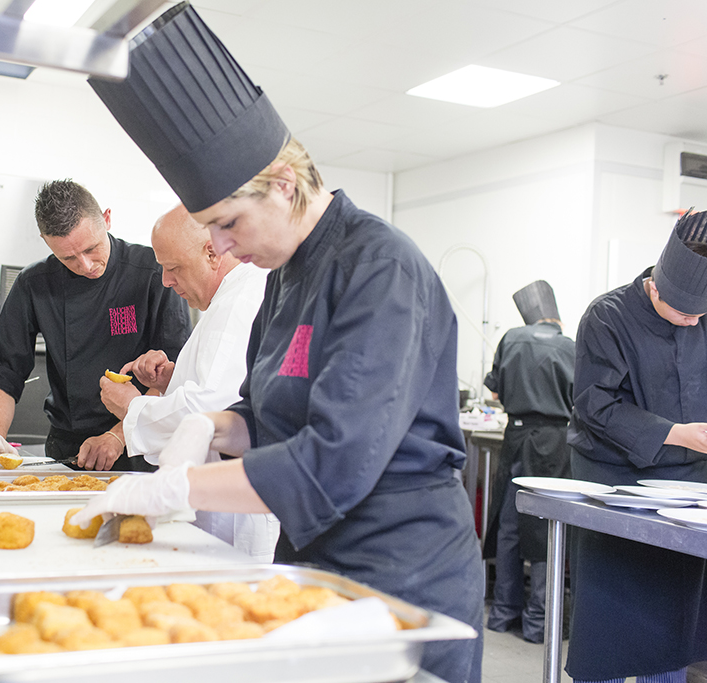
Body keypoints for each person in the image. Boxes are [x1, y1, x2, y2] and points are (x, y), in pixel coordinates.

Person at [82, 6, 484, 680]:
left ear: (286, 186)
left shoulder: (381, 268)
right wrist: (211, 424)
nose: (219, 245)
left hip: (402, 575)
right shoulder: (282, 278)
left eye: (228, 222)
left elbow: (336, 462)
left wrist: (177, 487)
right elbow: (267, 419)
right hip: (312, 565)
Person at [565, 210, 707, 683]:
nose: (692, 322)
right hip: (616, 481)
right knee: (611, 617)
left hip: (688, 485)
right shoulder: (608, 316)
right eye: (684, 314)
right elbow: (594, 404)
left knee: (672, 620)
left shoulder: (701, 319)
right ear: (655, 288)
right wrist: (678, 433)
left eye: (700, 316)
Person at [98, 204, 279, 561]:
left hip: (233, 517)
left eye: (173, 268)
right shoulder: (227, 297)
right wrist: (172, 379)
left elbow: (210, 407)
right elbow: (224, 384)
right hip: (215, 503)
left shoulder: (239, 301)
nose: (166, 281)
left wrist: (132, 407)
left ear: (212, 253)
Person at [0, 179, 191, 472]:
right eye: (68, 258)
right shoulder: (33, 284)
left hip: (142, 445)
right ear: (46, 242)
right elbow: (5, 371)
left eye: (92, 248)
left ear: (107, 219)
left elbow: (177, 372)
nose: (86, 265)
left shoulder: (153, 273)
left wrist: (118, 436)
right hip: (68, 449)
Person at [482, 280, 575, 644]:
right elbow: (582, 398)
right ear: (557, 319)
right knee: (545, 530)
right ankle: (539, 623)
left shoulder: (511, 338)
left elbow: (494, 390)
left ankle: (503, 613)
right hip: (553, 442)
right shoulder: (569, 346)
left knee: (508, 526)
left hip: (516, 437)